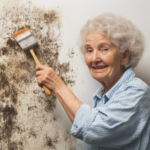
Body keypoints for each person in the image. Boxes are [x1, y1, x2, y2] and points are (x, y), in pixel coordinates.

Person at [35, 13, 150, 150]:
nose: (94, 58)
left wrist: (57, 85)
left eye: (104, 49)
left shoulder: (137, 91)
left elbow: (94, 129)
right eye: (89, 50)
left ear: (124, 56)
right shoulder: (100, 96)